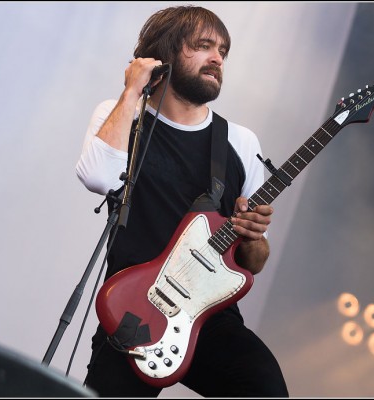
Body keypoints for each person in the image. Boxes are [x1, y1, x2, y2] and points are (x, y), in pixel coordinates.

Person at [76, 4, 289, 398]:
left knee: (264, 387)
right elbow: (97, 177)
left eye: (223, 51)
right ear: (165, 53)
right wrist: (132, 90)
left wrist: (255, 237)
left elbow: (251, 262)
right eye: (204, 46)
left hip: (210, 315)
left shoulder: (240, 142)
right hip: (134, 306)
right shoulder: (121, 115)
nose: (217, 59)